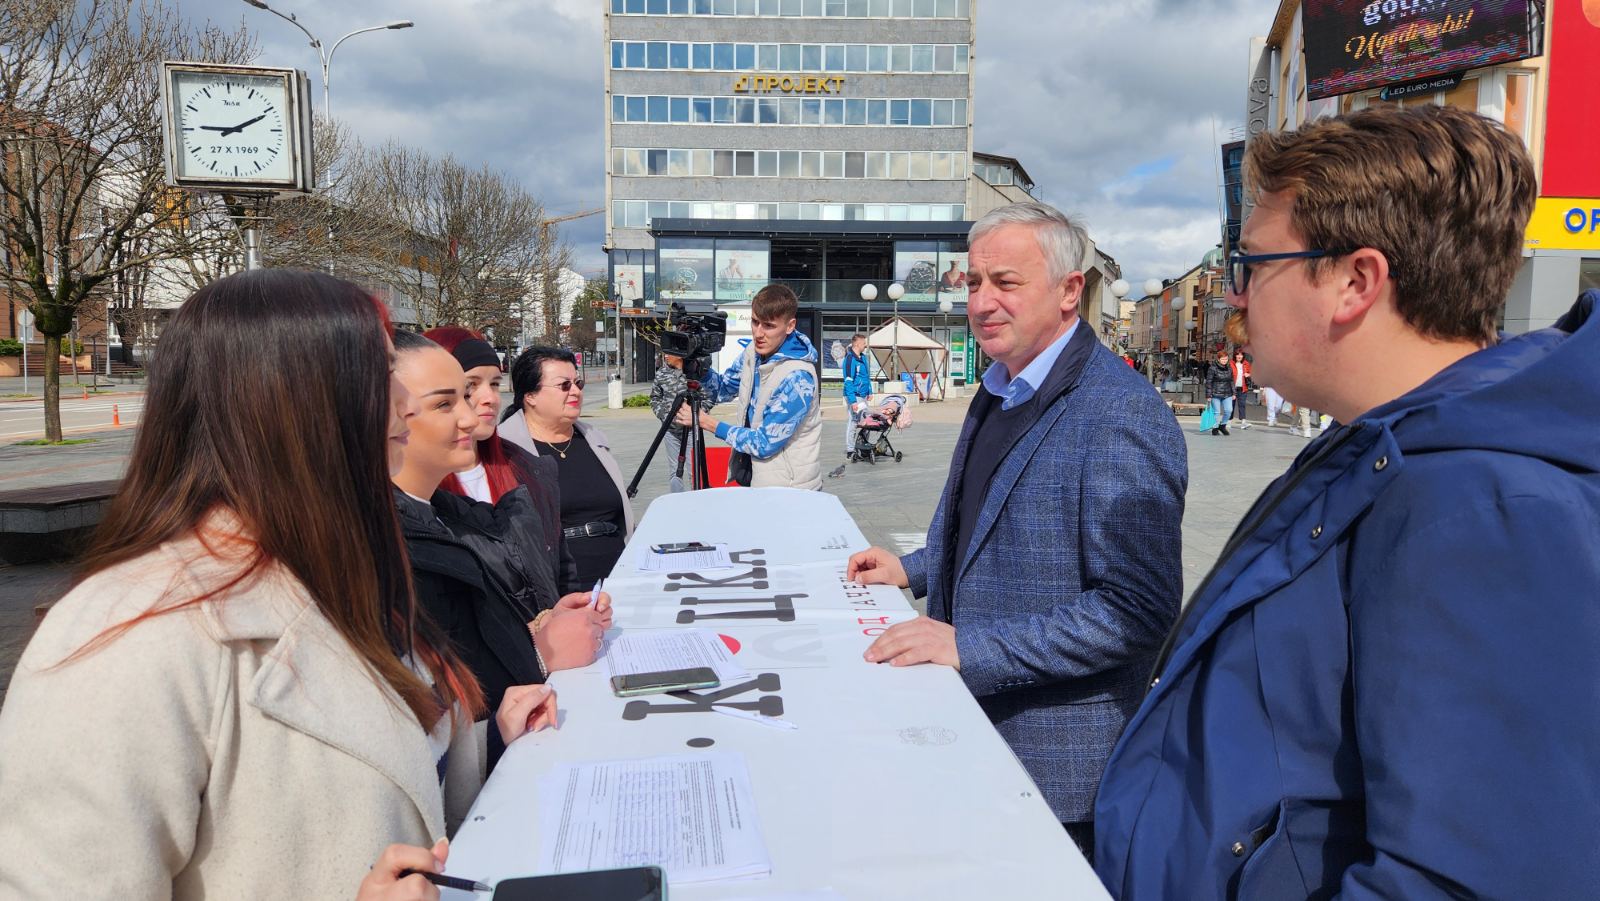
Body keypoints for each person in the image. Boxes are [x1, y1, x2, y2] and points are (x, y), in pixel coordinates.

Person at [1095, 105, 1600, 899]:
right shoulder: (1376, 447)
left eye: (1254, 265)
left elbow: (1477, 876)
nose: (1236, 296)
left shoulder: (1481, 504)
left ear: (1355, 282)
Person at [0, 270, 558, 900]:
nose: (406, 403)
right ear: (289, 403)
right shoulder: (123, 635)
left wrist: (487, 740)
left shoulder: (350, 570)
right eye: (377, 374)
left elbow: (386, 785)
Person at [845, 201, 1187, 858]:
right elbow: (977, 519)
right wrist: (911, 568)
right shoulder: (1003, 382)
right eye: (974, 283)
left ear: (1068, 291)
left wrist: (970, 646)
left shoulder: (1120, 414)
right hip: (977, 740)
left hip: (1056, 781)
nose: (982, 302)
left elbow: (1137, 612)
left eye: (1005, 282)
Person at [392, 331, 610, 770]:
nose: (473, 416)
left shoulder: (447, 512)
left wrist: (542, 626)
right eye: (445, 402)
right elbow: (425, 711)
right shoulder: (392, 547)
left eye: (490, 385)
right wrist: (538, 653)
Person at [499, 346, 634, 594]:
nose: (575, 392)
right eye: (564, 385)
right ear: (530, 395)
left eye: (577, 383)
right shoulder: (505, 449)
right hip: (556, 586)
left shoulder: (594, 439)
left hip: (618, 576)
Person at [676, 284, 822, 489]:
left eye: (769, 326)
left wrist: (707, 422)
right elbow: (723, 389)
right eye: (755, 322)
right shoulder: (752, 352)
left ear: (790, 326)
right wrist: (700, 368)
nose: (759, 333)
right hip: (756, 478)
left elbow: (764, 443)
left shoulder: (797, 377)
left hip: (790, 489)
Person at [649, 352, 713, 492]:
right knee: (675, 471)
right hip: (670, 431)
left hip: (691, 430)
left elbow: (708, 398)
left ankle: (695, 502)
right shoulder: (662, 373)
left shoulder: (695, 374)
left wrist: (696, 416)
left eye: (668, 353)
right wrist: (664, 416)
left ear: (679, 355)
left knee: (694, 470)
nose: (665, 356)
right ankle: (676, 503)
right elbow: (655, 397)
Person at [841, 333, 873, 458]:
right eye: (864, 343)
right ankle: (850, 450)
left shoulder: (863, 358)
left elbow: (866, 376)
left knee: (867, 421)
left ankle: (863, 446)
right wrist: (853, 400)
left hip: (863, 395)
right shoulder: (850, 359)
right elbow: (848, 381)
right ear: (857, 343)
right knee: (854, 420)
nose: (865, 345)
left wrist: (869, 391)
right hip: (854, 395)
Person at [1204, 349, 1234, 435]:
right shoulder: (1212, 368)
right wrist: (1208, 395)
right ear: (1218, 359)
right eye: (1222, 359)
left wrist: (1234, 393)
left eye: (1226, 359)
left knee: (1229, 410)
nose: (1224, 361)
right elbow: (1209, 382)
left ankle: (1223, 425)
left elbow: (1231, 381)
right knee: (1216, 412)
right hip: (1215, 394)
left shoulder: (1229, 368)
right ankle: (1215, 427)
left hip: (1227, 393)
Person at [1229, 348, 1252, 429]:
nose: (1239, 356)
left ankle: (1243, 422)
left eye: (1241, 355)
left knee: (1242, 405)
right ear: (1235, 355)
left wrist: (1248, 375)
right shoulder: (1231, 363)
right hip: (1232, 388)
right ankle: (1229, 422)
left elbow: (1250, 373)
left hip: (1243, 388)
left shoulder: (1246, 364)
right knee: (1231, 405)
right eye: (1237, 354)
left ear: (1243, 356)